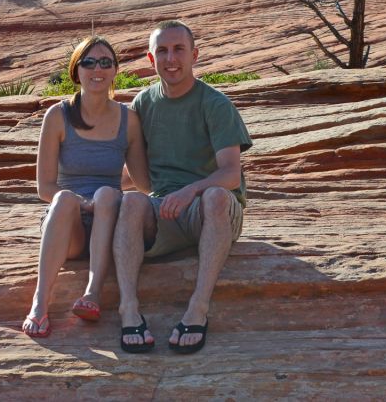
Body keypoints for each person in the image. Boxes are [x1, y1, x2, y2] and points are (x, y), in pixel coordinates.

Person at [113, 20, 252, 353]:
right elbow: (133, 173)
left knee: (216, 195)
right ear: (150, 58)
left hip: (210, 211)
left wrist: (191, 190)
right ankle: (128, 309)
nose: (170, 58)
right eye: (162, 50)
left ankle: (198, 308)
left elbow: (231, 174)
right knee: (130, 203)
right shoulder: (143, 104)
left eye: (179, 49)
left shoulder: (215, 104)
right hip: (166, 210)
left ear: (195, 55)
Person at [22, 36, 149, 338]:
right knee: (64, 198)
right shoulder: (57, 116)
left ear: (115, 71)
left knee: (108, 194)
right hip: (69, 227)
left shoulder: (128, 120)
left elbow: (144, 183)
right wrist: (82, 202)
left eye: (106, 62)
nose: (97, 69)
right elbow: (44, 187)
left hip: (109, 222)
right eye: (89, 62)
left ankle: (92, 294)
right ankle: (40, 304)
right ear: (75, 71)